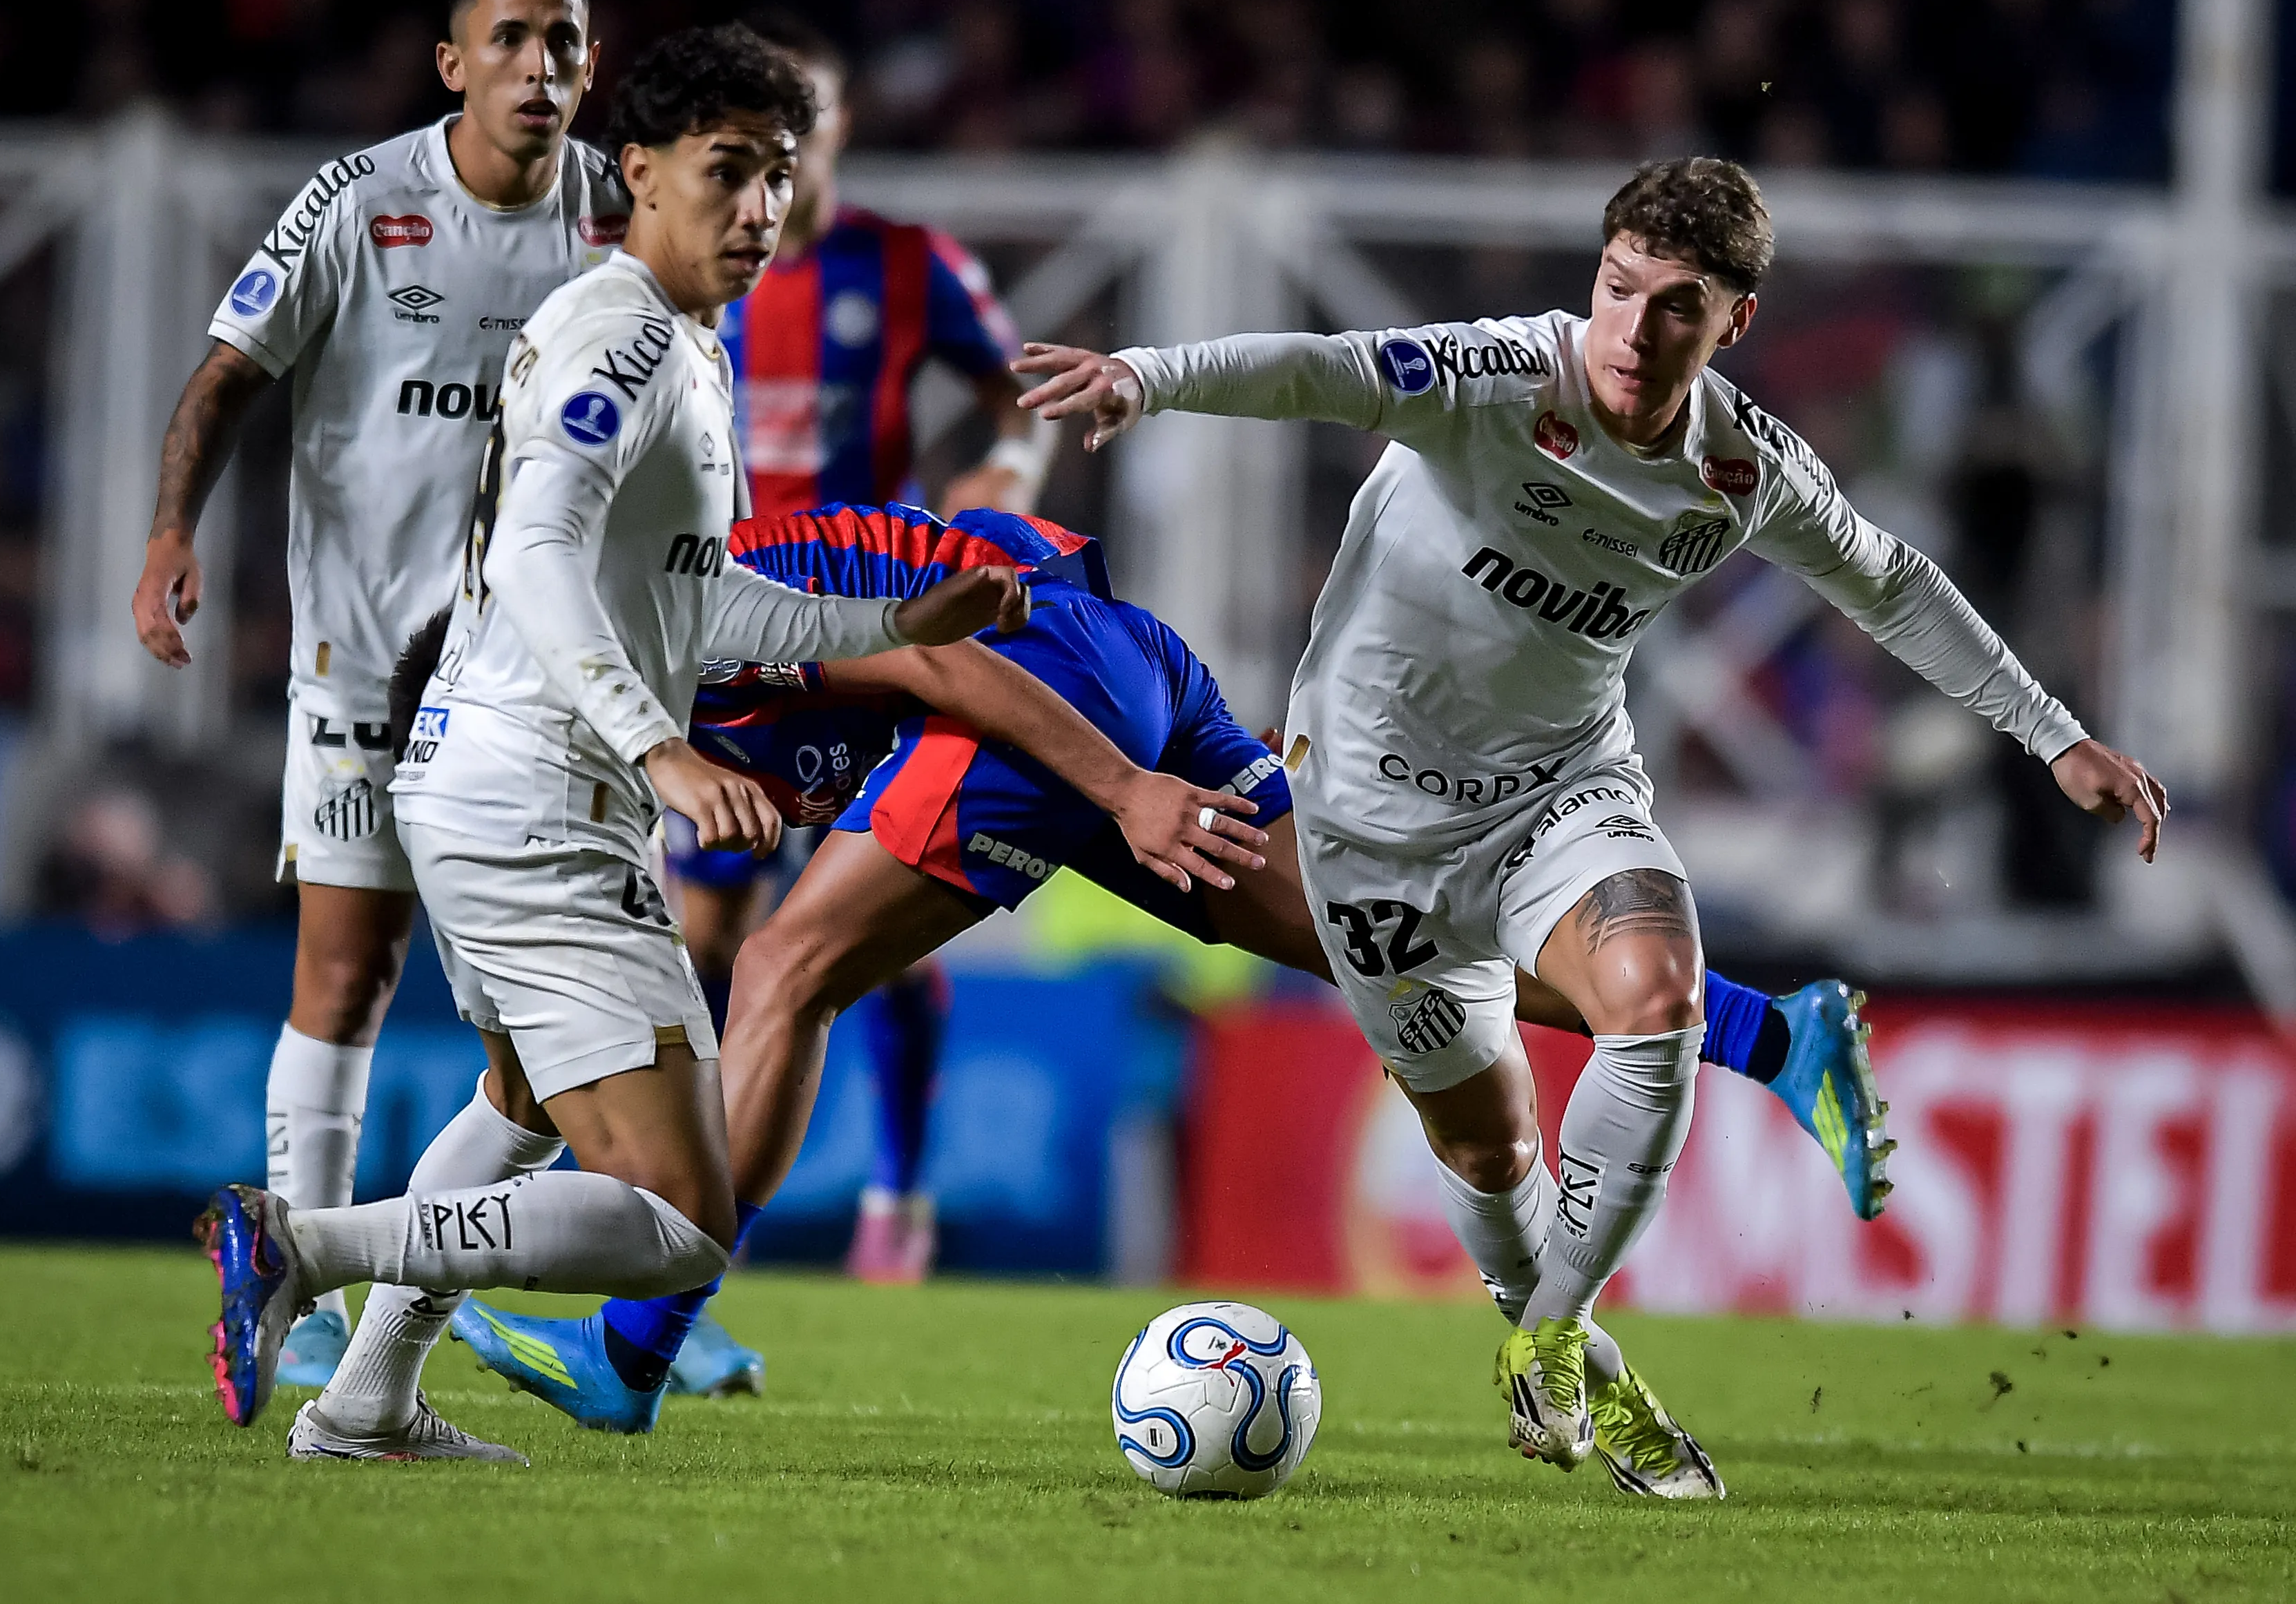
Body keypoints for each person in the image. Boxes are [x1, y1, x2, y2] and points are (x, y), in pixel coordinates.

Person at [1012, 157, 2166, 1494]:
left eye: (1678, 307)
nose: (1634, 330)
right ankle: (1593, 1369)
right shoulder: (1501, 376)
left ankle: (1555, 1336)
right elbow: (1323, 369)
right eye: (1619, 289)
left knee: (1655, 997)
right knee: (1489, 1152)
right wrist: (1147, 376)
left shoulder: (1742, 466)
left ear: (1733, 321)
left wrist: (2054, 736)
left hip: (1560, 791)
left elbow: (1889, 581)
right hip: (1367, 831)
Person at [450, 501, 1889, 1496]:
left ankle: (633, 1353)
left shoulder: (679, 609)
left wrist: (1127, 788)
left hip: (1043, 683)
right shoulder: (607, 681)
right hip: (1122, 658)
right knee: (1383, 945)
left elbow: (937, 655)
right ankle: (1770, 1032)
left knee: (787, 974)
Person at [196, 25, 1072, 1458]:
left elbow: (696, 597)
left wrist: (897, 623)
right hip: (543, 798)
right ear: (641, 173)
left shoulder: (681, 343)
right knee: (680, 1218)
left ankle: (365, 1404)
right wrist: (664, 753)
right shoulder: (629, 336)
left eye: (777, 174)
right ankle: (301, 1245)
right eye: (726, 171)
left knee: (522, 1100)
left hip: (485, 780)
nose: (759, 208)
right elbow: (536, 553)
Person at [133, 0, 630, 1389]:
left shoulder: (618, 214)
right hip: (363, 665)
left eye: (563, 40)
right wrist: (170, 533)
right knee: (347, 972)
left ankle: (369, 1296)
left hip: (532, 681)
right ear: (454, 63)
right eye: (511, 38)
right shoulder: (359, 203)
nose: (539, 66)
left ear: (591, 63)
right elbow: (228, 375)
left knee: (538, 1039)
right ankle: (296, 1302)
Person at [667, 15, 1059, 1340]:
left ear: (837, 127)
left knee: (872, 922)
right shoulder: (686, 271)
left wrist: (1008, 473)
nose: (792, 146)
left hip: (875, 635)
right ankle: (674, 1218)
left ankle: (896, 1197)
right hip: (728, 647)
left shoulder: (908, 265)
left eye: (812, 118)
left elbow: (1015, 396)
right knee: (704, 936)